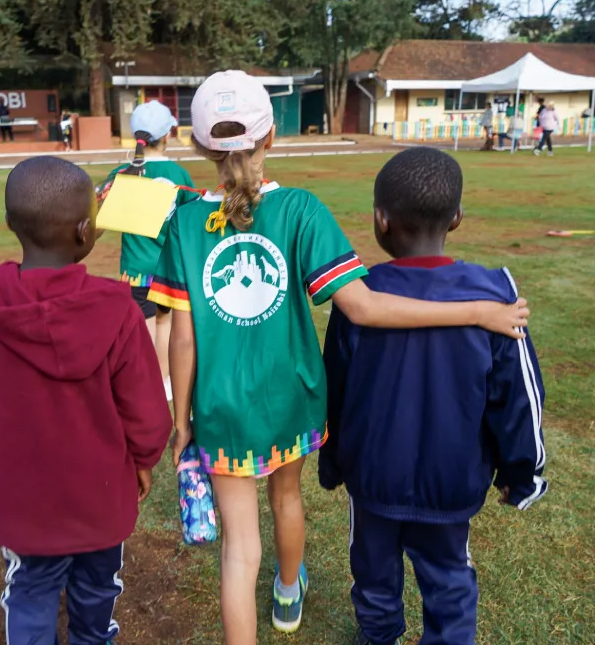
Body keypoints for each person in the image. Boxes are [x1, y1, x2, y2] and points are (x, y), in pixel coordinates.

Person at [148, 71, 530, 645]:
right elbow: (365, 307)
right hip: (292, 398)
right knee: (287, 497)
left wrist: (181, 422)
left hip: (220, 407)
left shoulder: (181, 223)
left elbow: (183, 338)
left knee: (238, 549)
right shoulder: (301, 209)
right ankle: (287, 593)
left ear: (200, 146)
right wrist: (477, 311)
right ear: (270, 136)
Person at [319, 147, 547, 645]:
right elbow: (518, 399)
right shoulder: (485, 297)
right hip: (450, 478)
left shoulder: (365, 295)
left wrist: (332, 460)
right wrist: (521, 472)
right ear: (457, 217)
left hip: (374, 474)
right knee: (447, 581)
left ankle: (377, 634)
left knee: (373, 573)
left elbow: (332, 387)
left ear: (380, 220)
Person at [0, 156, 172, 644]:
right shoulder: (118, 309)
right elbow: (147, 411)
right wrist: (144, 459)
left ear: (11, 224)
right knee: (97, 585)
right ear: (87, 231)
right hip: (101, 492)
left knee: (31, 588)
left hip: (20, 495)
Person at [96, 100, 197, 402]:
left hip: (135, 271)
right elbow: (190, 224)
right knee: (165, 324)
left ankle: (148, 387)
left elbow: (97, 215)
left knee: (145, 330)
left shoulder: (122, 173)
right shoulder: (179, 175)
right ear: (168, 135)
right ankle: (163, 386)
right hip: (170, 271)